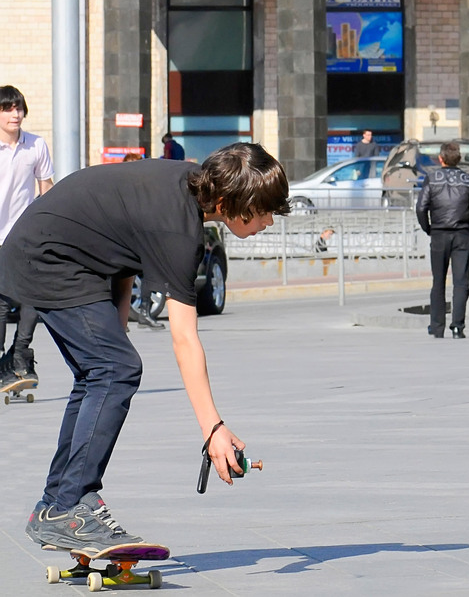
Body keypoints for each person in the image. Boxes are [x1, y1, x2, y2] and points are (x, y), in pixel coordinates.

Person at [0, 142, 289, 553]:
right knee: (115, 370)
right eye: (263, 211)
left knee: (102, 372)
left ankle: (56, 505)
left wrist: (114, 336)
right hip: (48, 259)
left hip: (56, 253)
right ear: (228, 202)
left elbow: (120, 252)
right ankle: (68, 510)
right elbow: (185, 339)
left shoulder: (186, 187)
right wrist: (213, 429)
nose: (269, 222)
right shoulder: (179, 229)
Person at [0, 85, 54, 393]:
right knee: (1, 301)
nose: (15, 114)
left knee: (33, 294)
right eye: (8, 108)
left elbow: (46, 187)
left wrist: (50, 229)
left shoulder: (36, 145)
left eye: (19, 108)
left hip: (23, 235)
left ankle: (20, 352)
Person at [416, 141, 469, 339]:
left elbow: (421, 207)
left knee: (438, 282)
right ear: (459, 159)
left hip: (439, 234)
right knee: (461, 283)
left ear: (441, 158)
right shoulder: (468, 180)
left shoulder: (432, 178)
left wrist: (429, 228)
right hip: (463, 235)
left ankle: (437, 327)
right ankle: (457, 326)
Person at [120, 153, 165, 330]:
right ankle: (121, 320)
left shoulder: (146, 189)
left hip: (141, 239)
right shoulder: (120, 188)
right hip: (124, 239)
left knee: (147, 274)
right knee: (121, 277)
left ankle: (144, 313)